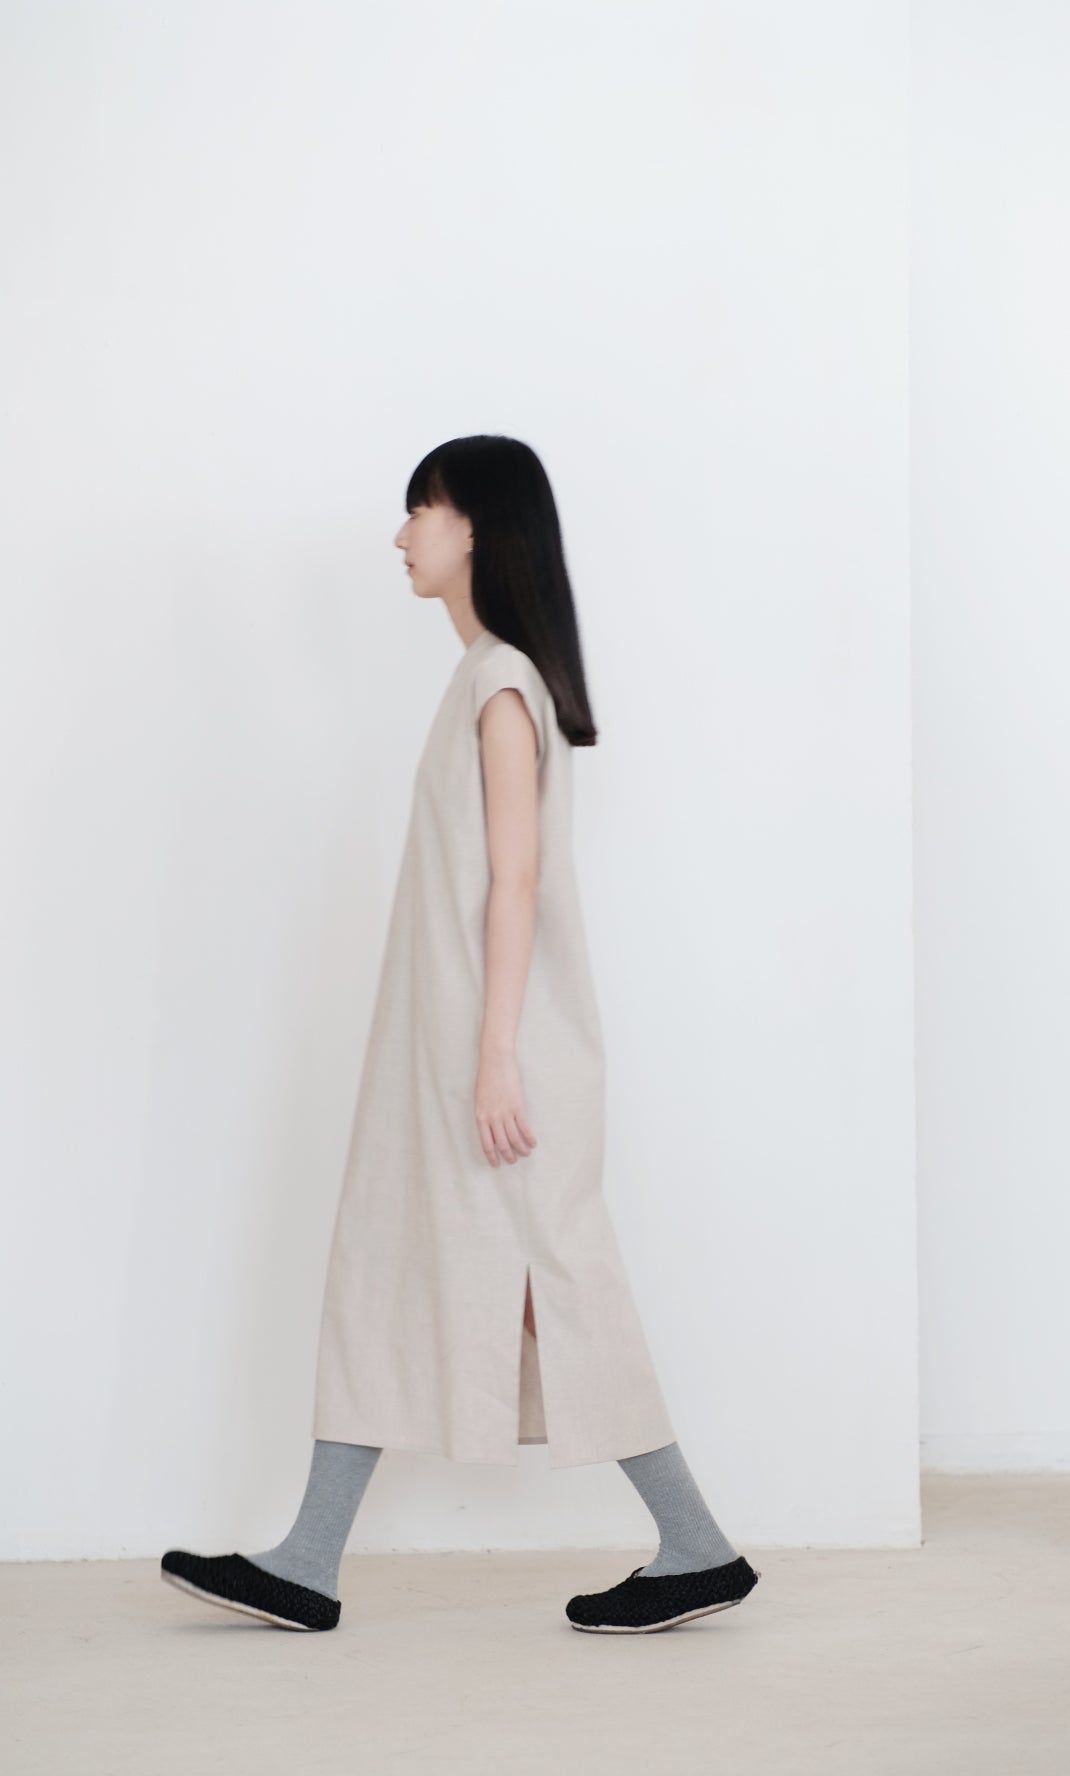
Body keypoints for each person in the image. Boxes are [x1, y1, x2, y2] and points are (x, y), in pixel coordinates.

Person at [161, 435, 759, 1634]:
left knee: (560, 1289)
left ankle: (695, 1545)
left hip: (499, 1064)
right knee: (384, 1266)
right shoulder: (483, 677)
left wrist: (494, 1059)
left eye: (420, 510)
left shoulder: (500, 689)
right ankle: (308, 1561)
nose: (401, 534)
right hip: (447, 1059)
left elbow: (514, 882)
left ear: (477, 526)